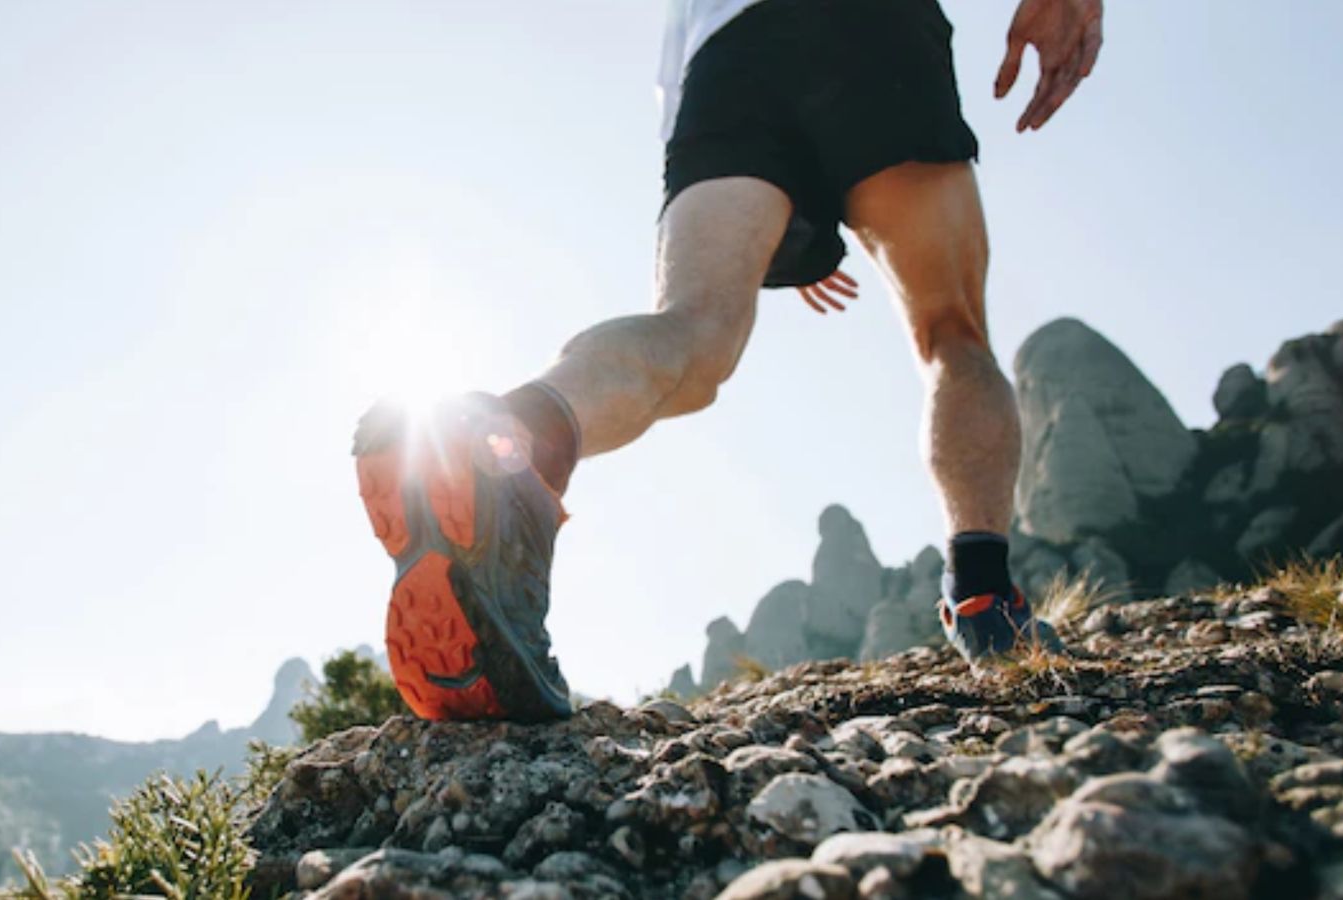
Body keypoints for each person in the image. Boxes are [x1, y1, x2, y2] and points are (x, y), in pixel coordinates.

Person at [353, 0, 1104, 721]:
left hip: (724, 63)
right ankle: (983, 600)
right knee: (952, 333)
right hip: (870, 28)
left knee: (692, 332)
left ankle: (500, 436)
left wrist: (782, 208)